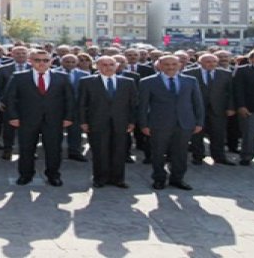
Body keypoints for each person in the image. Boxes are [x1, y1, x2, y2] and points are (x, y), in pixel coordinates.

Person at [5, 50, 75, 187]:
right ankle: (25, 175)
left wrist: (69, 117)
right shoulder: (19, 77)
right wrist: (13, 116)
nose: (41, 63)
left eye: (45, 60)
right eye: (37, 60)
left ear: (51, 62)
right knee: (26, 149)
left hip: (54, 120)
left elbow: (70, 99)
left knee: (54, 149)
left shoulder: (62, 77)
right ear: (30, 61)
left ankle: (53, 175)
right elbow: (10, 98)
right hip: (27, 120)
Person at [139, 55, 205, 191]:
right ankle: (159, 178)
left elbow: (197, 103)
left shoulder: (190, 81)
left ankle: (177, 178)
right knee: (158, 153)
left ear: (180, 65)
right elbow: (143, 105)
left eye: (174, 64)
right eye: (166, 64)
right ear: (160, 66)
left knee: (181, 153)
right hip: (159, 123)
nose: (170, 67)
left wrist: (199, 122)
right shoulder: (147, 82)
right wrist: (144, 124)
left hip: (184, 123)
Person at [78, 56, 139, 188]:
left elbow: (133, 104)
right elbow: (82, 104)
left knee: (119, 151)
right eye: (104, 65)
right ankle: (100, 178)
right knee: (100, 151)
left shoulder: (128, 82)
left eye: (111, 64)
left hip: (121, 122)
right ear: (97, 66)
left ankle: (118, 179)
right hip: (97, 121)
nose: (108, 67)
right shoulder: (87, 82)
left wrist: (132, 121)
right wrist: (83, 121)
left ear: (116, 66)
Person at [184, 54, 236, 165]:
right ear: (200, 62)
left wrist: (231, 107)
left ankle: (219, 157)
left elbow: (231, 92)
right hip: (196, 109)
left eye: (213, 61)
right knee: (197, 134)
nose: (211, 64)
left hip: (219, 109)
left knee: (219, 134)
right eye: (207, 61)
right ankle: (198, 156)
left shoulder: (225, 74)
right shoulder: (189, 73)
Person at [0, 45, 30, 160]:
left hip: (30, 104)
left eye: (23, 53)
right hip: (9, 104)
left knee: (29, 130)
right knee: (8, 130)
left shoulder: (34, 67)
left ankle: (28, 151)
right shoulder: (3, 68)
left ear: (28, 55)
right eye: (18, 53)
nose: (21, 55)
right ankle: (7, 150)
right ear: (12, 55)